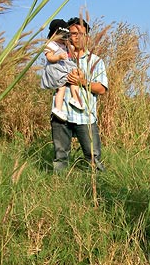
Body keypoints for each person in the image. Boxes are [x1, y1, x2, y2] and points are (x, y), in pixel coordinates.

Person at [44, 17, 108, 172]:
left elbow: (102, 89)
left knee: (94, 157)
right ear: (66, 35)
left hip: (85, 116)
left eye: (81, 34)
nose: (77, 37)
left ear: (87, 37)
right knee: (60, 157)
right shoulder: (58, 56)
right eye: (73, 33)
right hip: (61, 115)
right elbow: (49, 80)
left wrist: (83, 82)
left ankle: (99, 188)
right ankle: (59, 187)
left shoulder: (95, 61)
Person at [42, 19, 85, 116]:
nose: (63, 39)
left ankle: (75, 99)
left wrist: (71, 49)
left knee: (74, 77)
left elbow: (69, 52)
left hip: (63, 67)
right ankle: (58, 108)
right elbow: (49, 57)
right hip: (56, 69)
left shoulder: (63, 44)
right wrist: (59, 57)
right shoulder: (50, 44)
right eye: (61, 37)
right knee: (61, 88)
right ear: (53, 34)